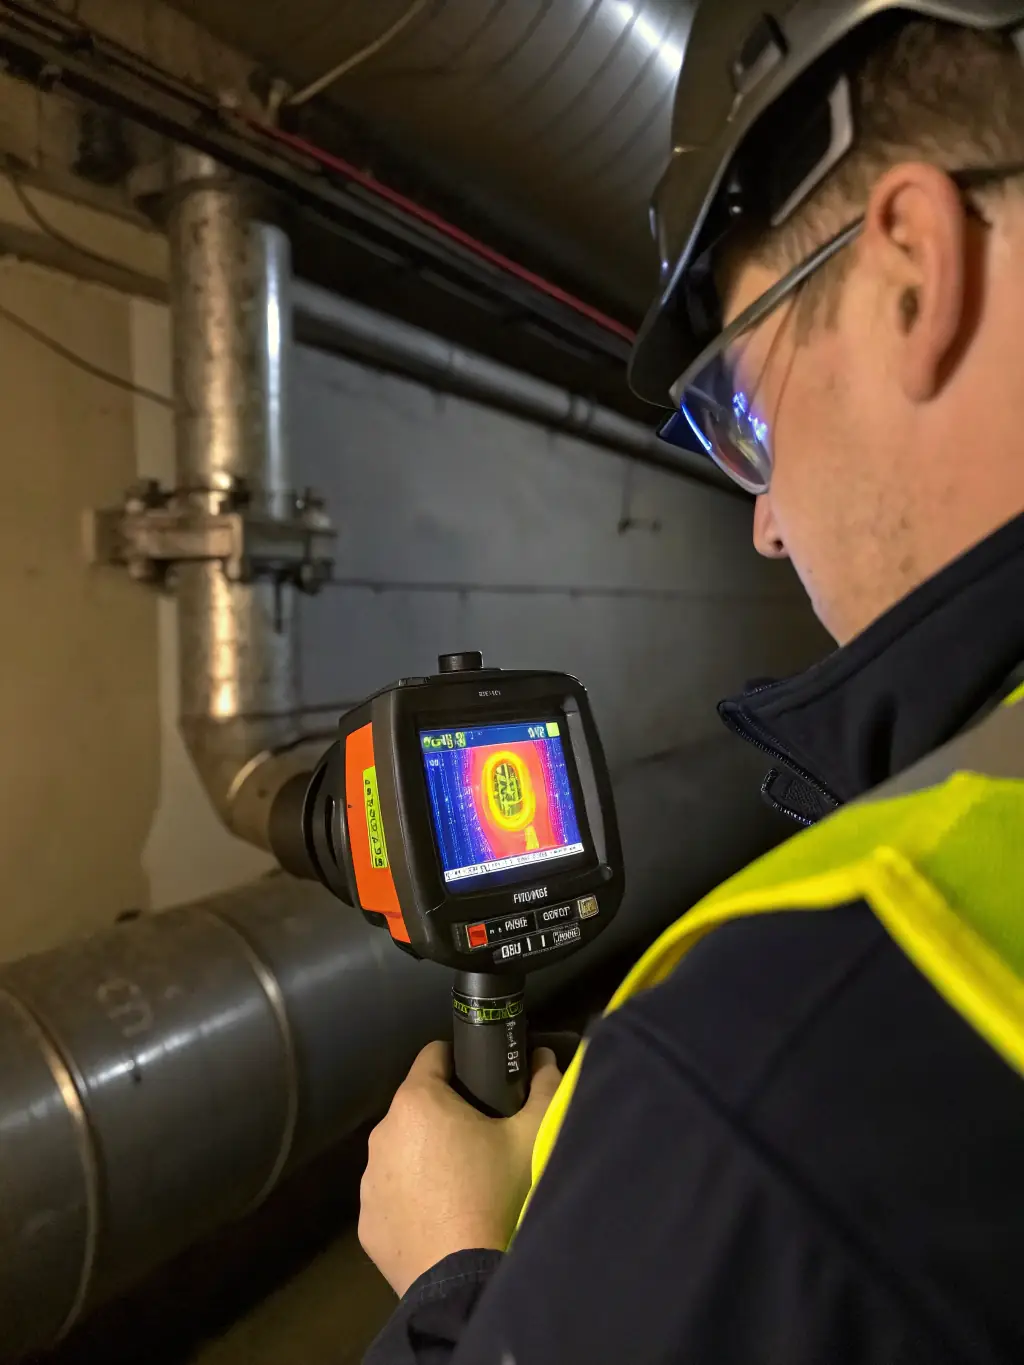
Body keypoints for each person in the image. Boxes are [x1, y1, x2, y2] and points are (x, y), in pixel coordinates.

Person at [360, 3, 1024, 1361]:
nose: (767, 521)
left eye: (744, 411)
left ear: (912, 266)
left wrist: (458, 1281)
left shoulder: (772, 1078)